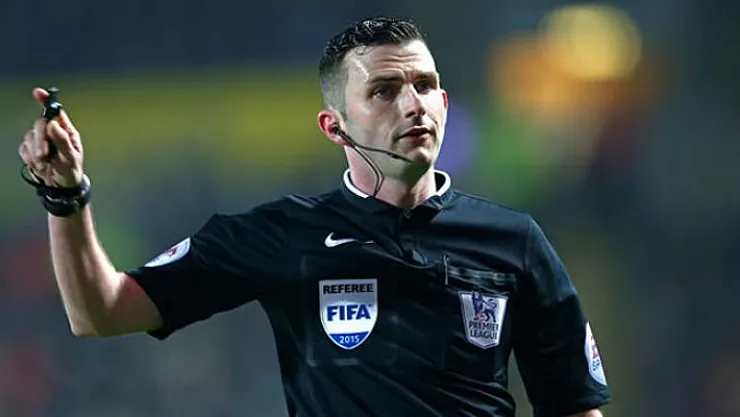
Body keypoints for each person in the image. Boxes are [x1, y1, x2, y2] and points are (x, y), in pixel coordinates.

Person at [17, 16, 611, 417]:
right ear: (335, 126)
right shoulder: (285, 235)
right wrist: (65, 197)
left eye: (426, 85)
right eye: (384, 90)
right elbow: (101, 312)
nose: (414, 105)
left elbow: (574, 406)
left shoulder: (514, 240)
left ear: (445, 102)